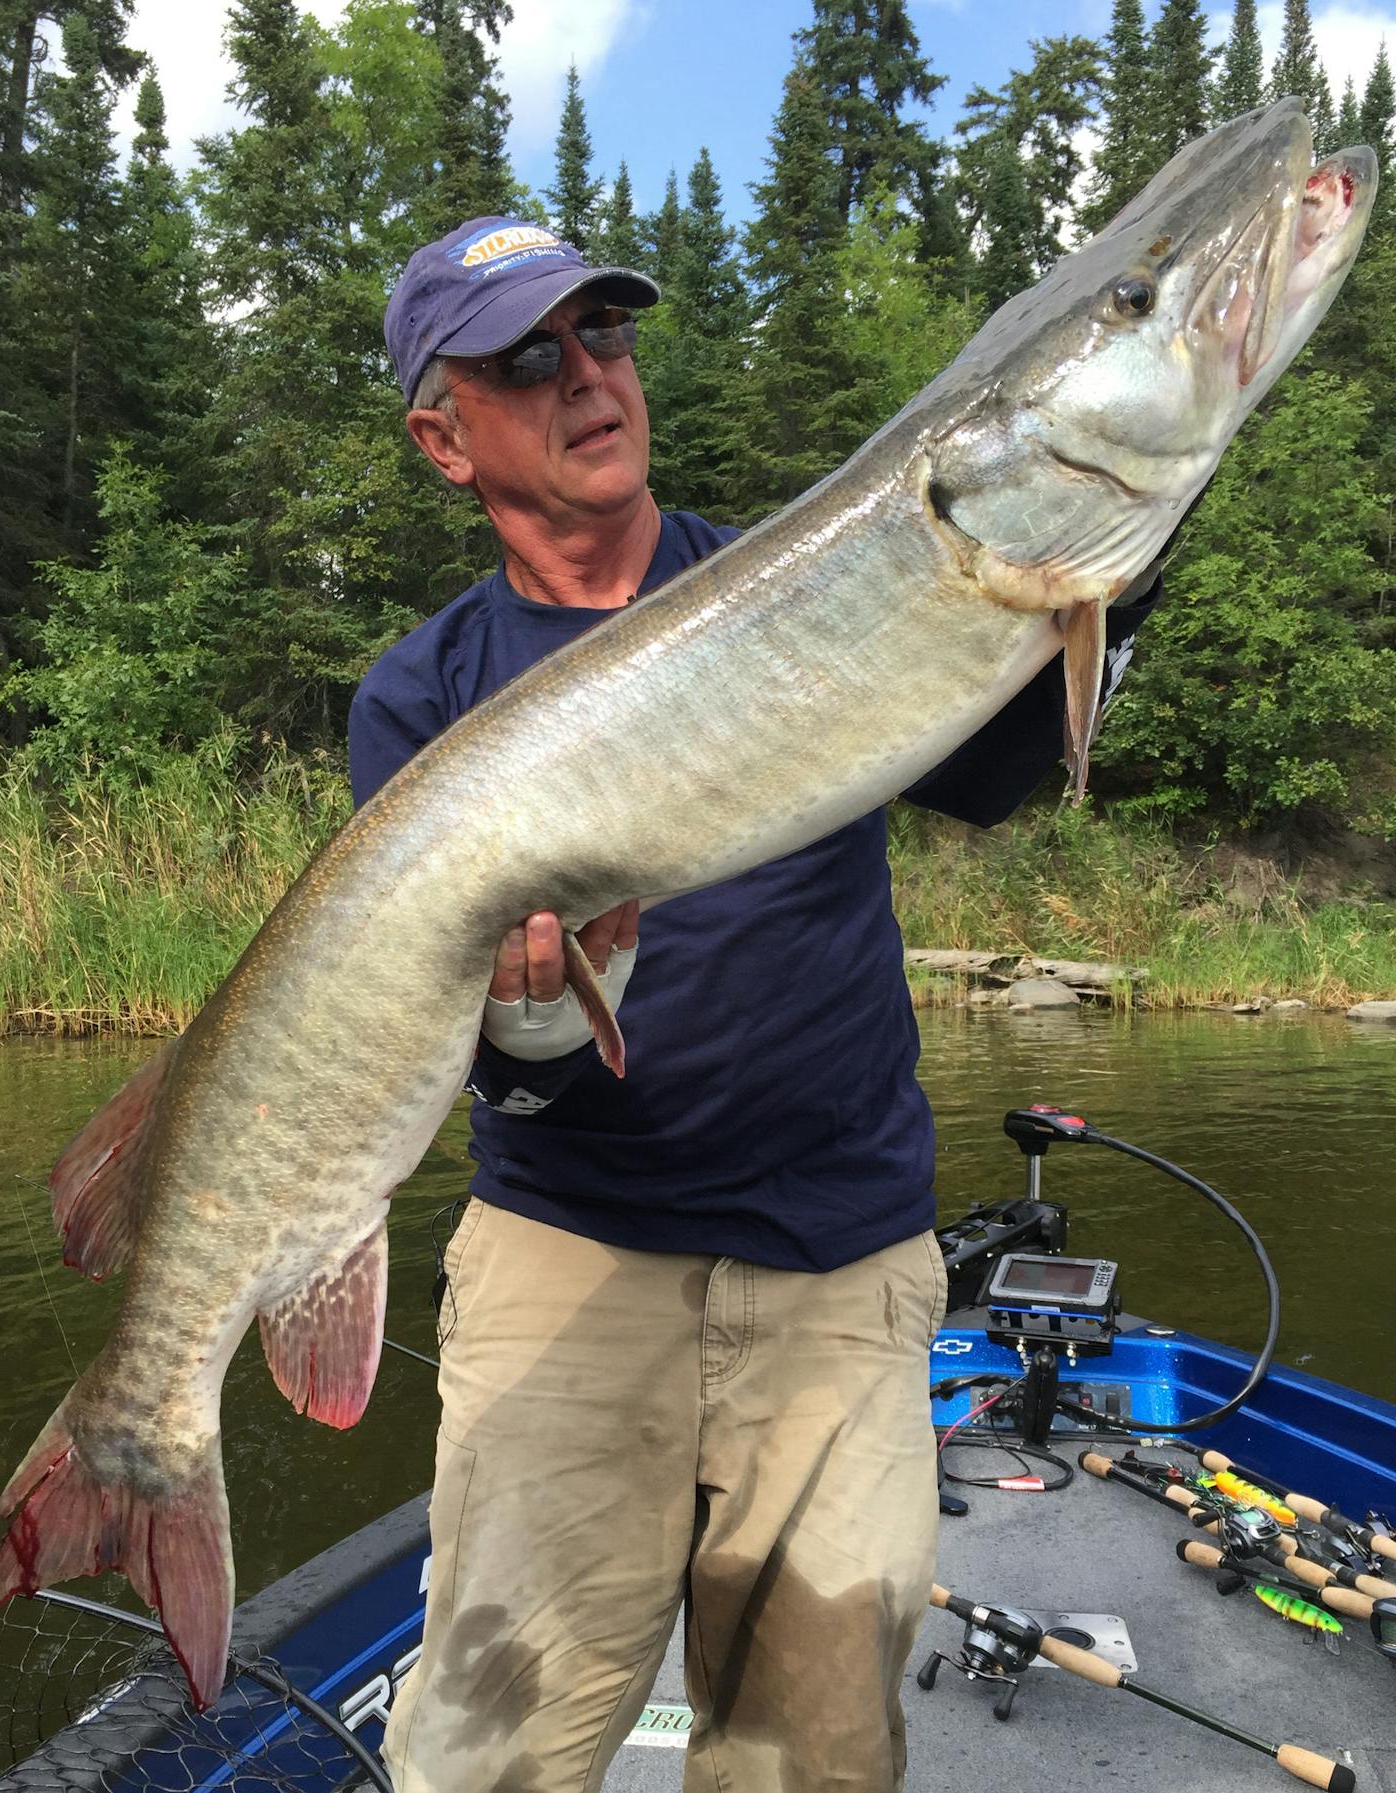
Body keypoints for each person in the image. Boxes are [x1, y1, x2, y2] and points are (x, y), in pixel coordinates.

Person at [350, 216, 1162, 1793]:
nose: (590, 377)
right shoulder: (425, 696)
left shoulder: (806, 575)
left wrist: (1124, 535)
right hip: (566, 1255)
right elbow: (497, 1082)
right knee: (487, 1762)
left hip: (840, 1260)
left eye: (607, 337)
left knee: (812, 1763)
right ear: (444, 438)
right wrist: (526, 1021)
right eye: (529, 358)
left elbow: (1000, 776)